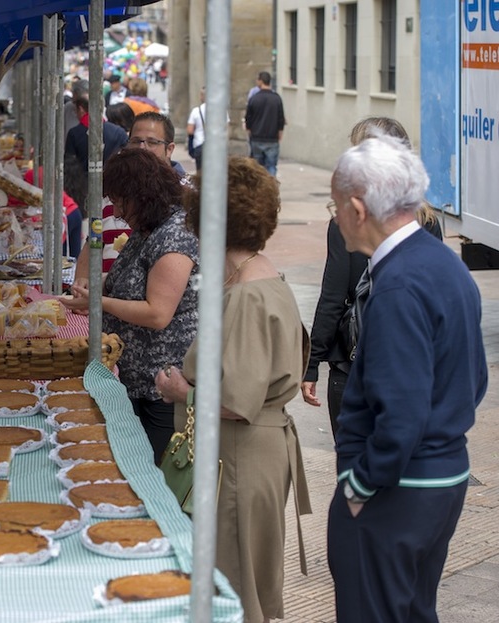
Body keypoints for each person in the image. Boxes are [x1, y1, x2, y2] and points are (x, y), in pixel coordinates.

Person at [326, 135, 487, 623]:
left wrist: (359, 485)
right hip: (439, 478)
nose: (334, 217)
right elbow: (474, 379)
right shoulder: (442, 262)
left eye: (335, 206)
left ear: (357, 209)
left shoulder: (399, 284)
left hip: (399, 488)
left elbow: (400, 418)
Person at [155, 156, 311, 623]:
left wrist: (180, 390)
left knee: (235, 589)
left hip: (241, 458)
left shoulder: (246, 293)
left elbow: (235, 402)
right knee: (242, 586)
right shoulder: (261, 274)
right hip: (250, 454)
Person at [301, 117, 443, 437]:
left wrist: (312, 364)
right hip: (410, 363)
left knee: (355, 457)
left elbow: (333, 297)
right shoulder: (426, 219)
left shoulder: (346, 220)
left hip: (354, 364)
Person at [61, 148, 200, 463]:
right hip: (137, 378)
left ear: (144, 195)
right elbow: (133, 280)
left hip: (162, 384)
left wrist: (98, 302)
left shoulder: (175, 235)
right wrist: (96, 286)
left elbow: (157, 313)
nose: (118, 211)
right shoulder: (148, 228)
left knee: (155, 470)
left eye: (122, 201)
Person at [72, 111, 188, 280]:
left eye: (152, 142)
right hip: (106, 290)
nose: (142, 148)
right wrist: (81, 284)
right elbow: (94, 243)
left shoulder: (185, 196)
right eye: (136, 141)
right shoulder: (111, 192)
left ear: (169, 149)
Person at [64, 96, 128, 173]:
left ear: (80, 109)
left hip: (83, 178)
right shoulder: (119, 132)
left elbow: (70, 163)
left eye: (76, 111)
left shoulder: (74, 133)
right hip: (112, 177)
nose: (76, 115)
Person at [245, 71, 285, 176]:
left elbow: (248, 117)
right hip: (272, 138)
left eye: (257, 79)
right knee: (271, 166)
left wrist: (249, 130)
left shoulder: (254, 99)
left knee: (257, 167)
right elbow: (281, 118)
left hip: (257, 137)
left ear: (261, 81)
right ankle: (271, 185)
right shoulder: (276, 98)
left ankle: (259, 185)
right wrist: (280, 132)